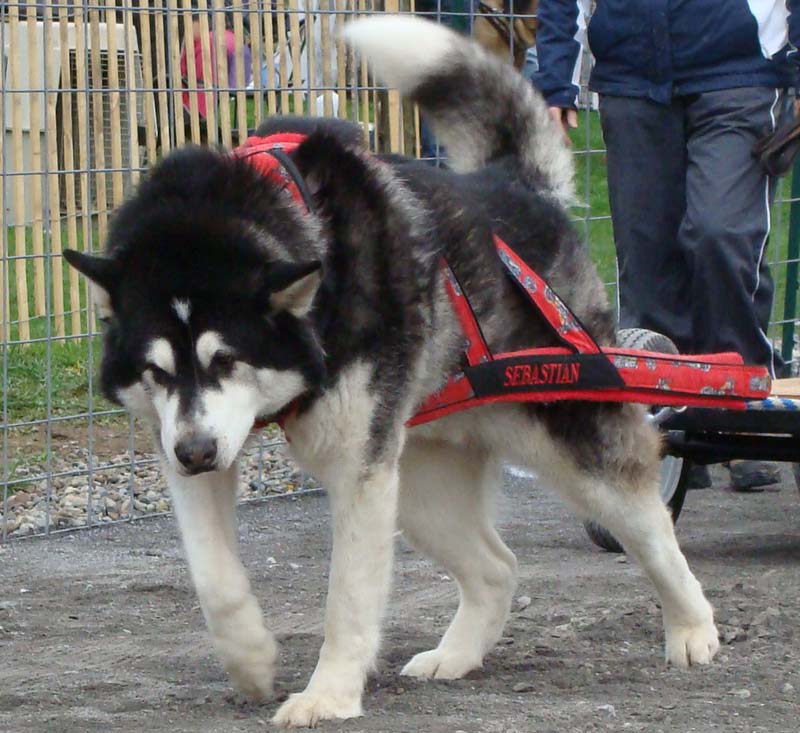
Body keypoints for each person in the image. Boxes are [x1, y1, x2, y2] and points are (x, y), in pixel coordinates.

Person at [532, 1, 800, 491]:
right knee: (646, 254)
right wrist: (555, 78)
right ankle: (667, 419)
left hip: (738, 69)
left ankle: (740, 394)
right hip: (631, 73)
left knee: (721, 234)